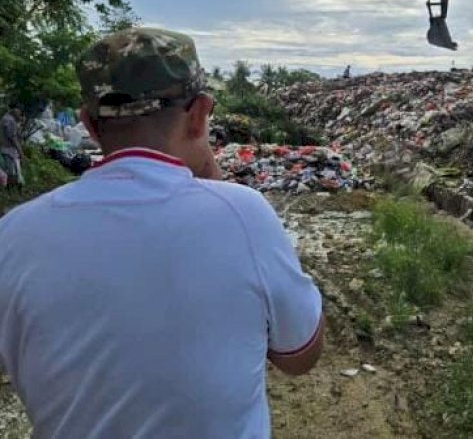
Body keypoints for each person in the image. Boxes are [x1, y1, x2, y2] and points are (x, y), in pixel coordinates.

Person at [0, 28, 324, 438]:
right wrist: (217, 180)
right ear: (200, 113)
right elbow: (300, 356)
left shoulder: (13, 235)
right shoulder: (244, 216)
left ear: (89, 125)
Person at [0, 106, 24, 189]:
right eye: (19, 111)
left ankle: (11, 189)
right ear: (14, 109)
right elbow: (13, 138)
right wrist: (20, 151)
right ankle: (10, 190)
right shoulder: (10, 120)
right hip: (8, 149)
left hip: (7, 148)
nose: (19, 113)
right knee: (11, 171)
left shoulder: (7, 118)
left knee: (12, 169)